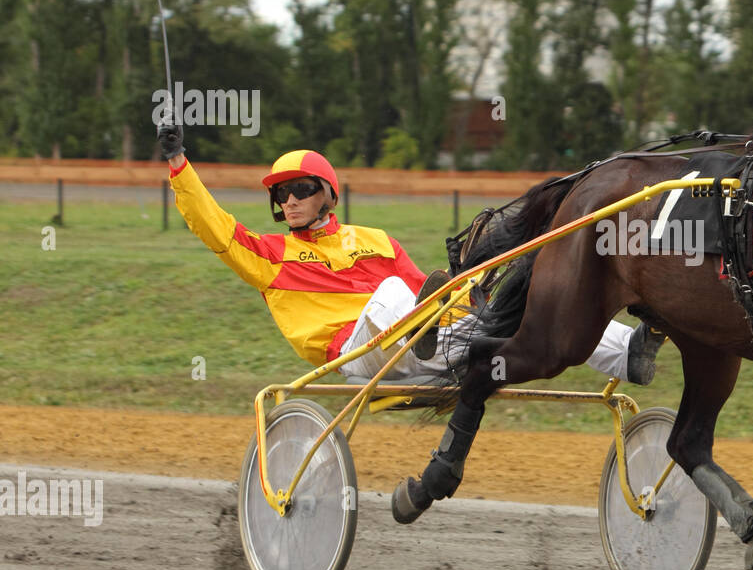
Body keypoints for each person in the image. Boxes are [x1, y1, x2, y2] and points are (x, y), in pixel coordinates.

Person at [156, 120, 665, 385]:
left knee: (533, 306)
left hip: (427, 341)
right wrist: (179, 162)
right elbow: (216, 229)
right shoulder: (269, 253)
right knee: (394, 291)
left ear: (328, 194)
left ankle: (629, 353)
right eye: (280, 194)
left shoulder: (377, 240)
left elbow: (439, 291)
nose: (289, 201)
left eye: (302, 188)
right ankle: (424, 332)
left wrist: (480, 306)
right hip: (359, 354)